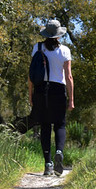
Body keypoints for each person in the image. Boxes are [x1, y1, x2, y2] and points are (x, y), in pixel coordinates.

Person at [28, 19, 74, 176]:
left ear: (46, 33)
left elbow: (31, 74)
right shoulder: (65, 51)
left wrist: (31, 95)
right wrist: (71, 99)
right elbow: (68, 77)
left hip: (41, 89)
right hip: (58, 90)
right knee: (60, 125)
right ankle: (59, 151)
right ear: (59, 35)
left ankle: (48, 164)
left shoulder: (38, 47)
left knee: (45, 126)